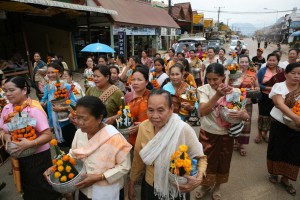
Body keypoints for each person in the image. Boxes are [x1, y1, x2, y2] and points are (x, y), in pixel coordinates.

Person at [45, 96, 132, 200]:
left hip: (108, 191)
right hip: (85, 189)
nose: (79, 122)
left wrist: (100, 177)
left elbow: (124, 166)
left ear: (99, 118)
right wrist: (57, 166)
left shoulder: (114, 138)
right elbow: (73, 155)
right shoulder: (79, 133)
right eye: (77, 117)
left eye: (84, 118)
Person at [128, 89, 207, 200]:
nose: (155, 116)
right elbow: (138, 158)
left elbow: (201, 158)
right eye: (150, 110)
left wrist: (198, 179)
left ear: (171, 109)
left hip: (176, 188)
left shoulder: (183, 129)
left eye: (161, 110)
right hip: (150, 185)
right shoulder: (143, 127)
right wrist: (131, 183)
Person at [1, 76, 61, 200]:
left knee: (42, 188)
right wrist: (6, 136)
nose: (7, 94)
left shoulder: (33, 110)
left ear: (24, 90)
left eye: (11, 90)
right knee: (27, 187)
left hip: (37, 157)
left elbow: (47, 135)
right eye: (5, 91)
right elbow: (2, 129)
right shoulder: (7, 109)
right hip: (18, 156)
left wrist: (30, 143)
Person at [196, 63, 249, 199]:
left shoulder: (235, 92)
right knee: (206, 162)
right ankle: (205, 185)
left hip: (227, 134)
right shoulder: (203, 90)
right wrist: (218, 95)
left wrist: (243, 116)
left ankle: (217, 186)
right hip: (208, 133)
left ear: (223, 77)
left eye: (216, 79)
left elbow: (243, 113)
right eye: (209, 79)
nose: (212, 82)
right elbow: (202, 111)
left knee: (223, 162)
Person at [267, 62, 300, 196]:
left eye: (299, 74)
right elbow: (279, 104)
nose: (296, 76)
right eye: (293, 73)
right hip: (279, 125)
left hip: (296, 129)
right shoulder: (278, 86)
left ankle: (286, 179)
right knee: (277, 150)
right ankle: (274, 173)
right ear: (285, 74)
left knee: (293, 153)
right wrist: (296, 118)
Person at [227, 55, 260, 156]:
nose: (244, 64)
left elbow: (257, 87)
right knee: (233, 121)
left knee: (246, 124)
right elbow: (227, 85)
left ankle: (241, 145)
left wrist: (255, 89)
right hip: (234, 102)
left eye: (246, 62)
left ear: (249, 63)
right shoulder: (233, 73)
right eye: (242, 62)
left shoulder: (253, 73)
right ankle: (235, 142)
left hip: (247, 102)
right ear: (238, 62)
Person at [40, 63, 77, 149]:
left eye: (53, 72)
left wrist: (61, 108)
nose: (50, 75)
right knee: (61, 146)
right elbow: (43, 99)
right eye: (48, 73)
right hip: (54, 122)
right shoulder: (48, 87)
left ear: (60, 73)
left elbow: (74, 103)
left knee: (71, 146)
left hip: (66, 121)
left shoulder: (66, 86)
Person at [256, 53, 285, 144]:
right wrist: (269, 88)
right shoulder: (262, 71)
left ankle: (265, 134)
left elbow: (284, 84)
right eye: (269, 60)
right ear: (267, 61)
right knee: (262, 116)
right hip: (264, 97)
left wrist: (275, 90)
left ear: (277, 61)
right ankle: (259, 134)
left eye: (274, 60)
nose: (271, 62)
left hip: (276, 98)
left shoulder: (281, 72)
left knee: (271, 116)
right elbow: (257, 85)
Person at [124, 65, 150, 146]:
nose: (135, 83)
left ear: (146, 82)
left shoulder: (153, 96)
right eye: (133, 79)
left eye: (139, 80)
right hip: (132, 137)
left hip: (149, 136)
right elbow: (124, 114)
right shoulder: (128, 96)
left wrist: (143, 125)